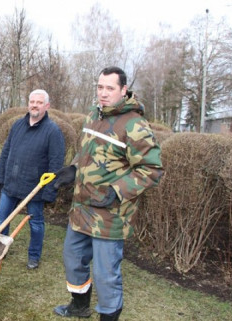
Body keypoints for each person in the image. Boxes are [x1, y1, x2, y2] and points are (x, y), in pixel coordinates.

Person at [53, 67, 164, 321]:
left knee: (105, 276)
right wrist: (73, 169)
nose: (103, 93)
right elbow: (86, 153)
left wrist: (117, 191)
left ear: (123, 91)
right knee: (73, 260)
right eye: (100, 87)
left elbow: (152, 169)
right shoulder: (93, 115)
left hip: (110, 217)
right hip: (81, 210)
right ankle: (80, 306)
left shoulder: (135, 124)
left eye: (110, 88)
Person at [0, 89, 65, 270]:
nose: (35, 105)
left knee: (36, 224)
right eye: (32, 101)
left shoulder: (52, 131)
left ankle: (34, 256)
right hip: (11, 183)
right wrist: (1, 176)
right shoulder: (18, 125)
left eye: (39, 102)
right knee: (2, 218)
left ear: (47, 106)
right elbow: (6, 153)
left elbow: (56, 164)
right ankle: (0, 249)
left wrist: (49, 191)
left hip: (35, 188)